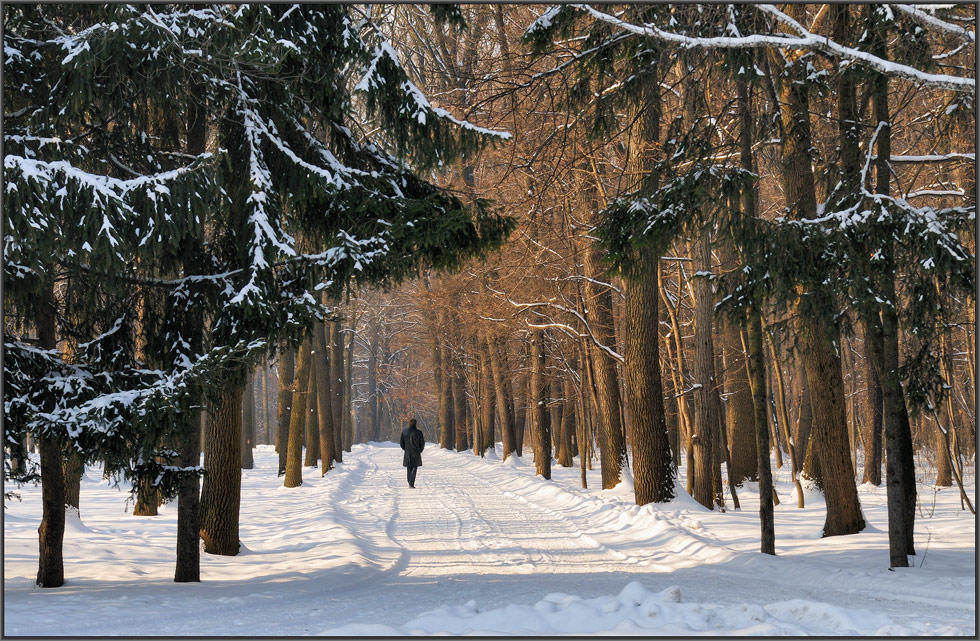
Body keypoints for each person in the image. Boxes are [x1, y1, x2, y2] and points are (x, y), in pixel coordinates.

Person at [399, 418, 425, 488]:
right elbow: (422, 443)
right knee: (414, 467)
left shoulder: (404, 432)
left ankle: (409, 481)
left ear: (409, 423)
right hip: (416, 452)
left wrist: (406, 449)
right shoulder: (419, 432)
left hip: (408, 452)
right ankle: (411, 482)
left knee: (408, 467)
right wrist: (420, 450)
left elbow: (401, 443)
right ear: (415, 424)